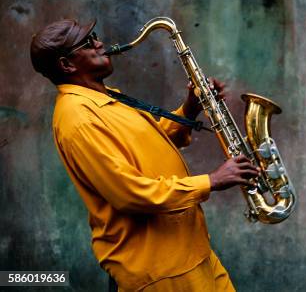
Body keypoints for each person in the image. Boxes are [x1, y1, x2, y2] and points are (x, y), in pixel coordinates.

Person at [30, 18, 259, 291]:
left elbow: (149, 144)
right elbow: (129, 193)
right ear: (67, 64)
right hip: (160, 270)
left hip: (190, 253)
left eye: (95, 35)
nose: (99, 43)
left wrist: (189, 109)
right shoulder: (77, 119)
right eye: (88, 42)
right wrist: (211, 181)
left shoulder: (103, 98)